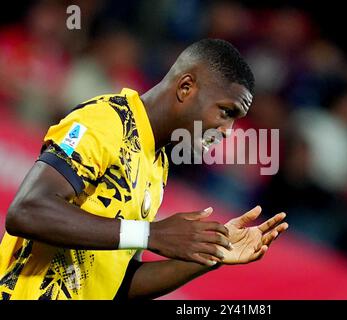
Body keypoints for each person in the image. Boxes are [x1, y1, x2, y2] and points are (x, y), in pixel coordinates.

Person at [0, 39, 288, 300]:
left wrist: (210, 255)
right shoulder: (105, 121)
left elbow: (120, 284)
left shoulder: (157, 164)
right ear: (186, 87)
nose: (228, 131)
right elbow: (26, 210)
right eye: (226, 112)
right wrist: (149, 234)